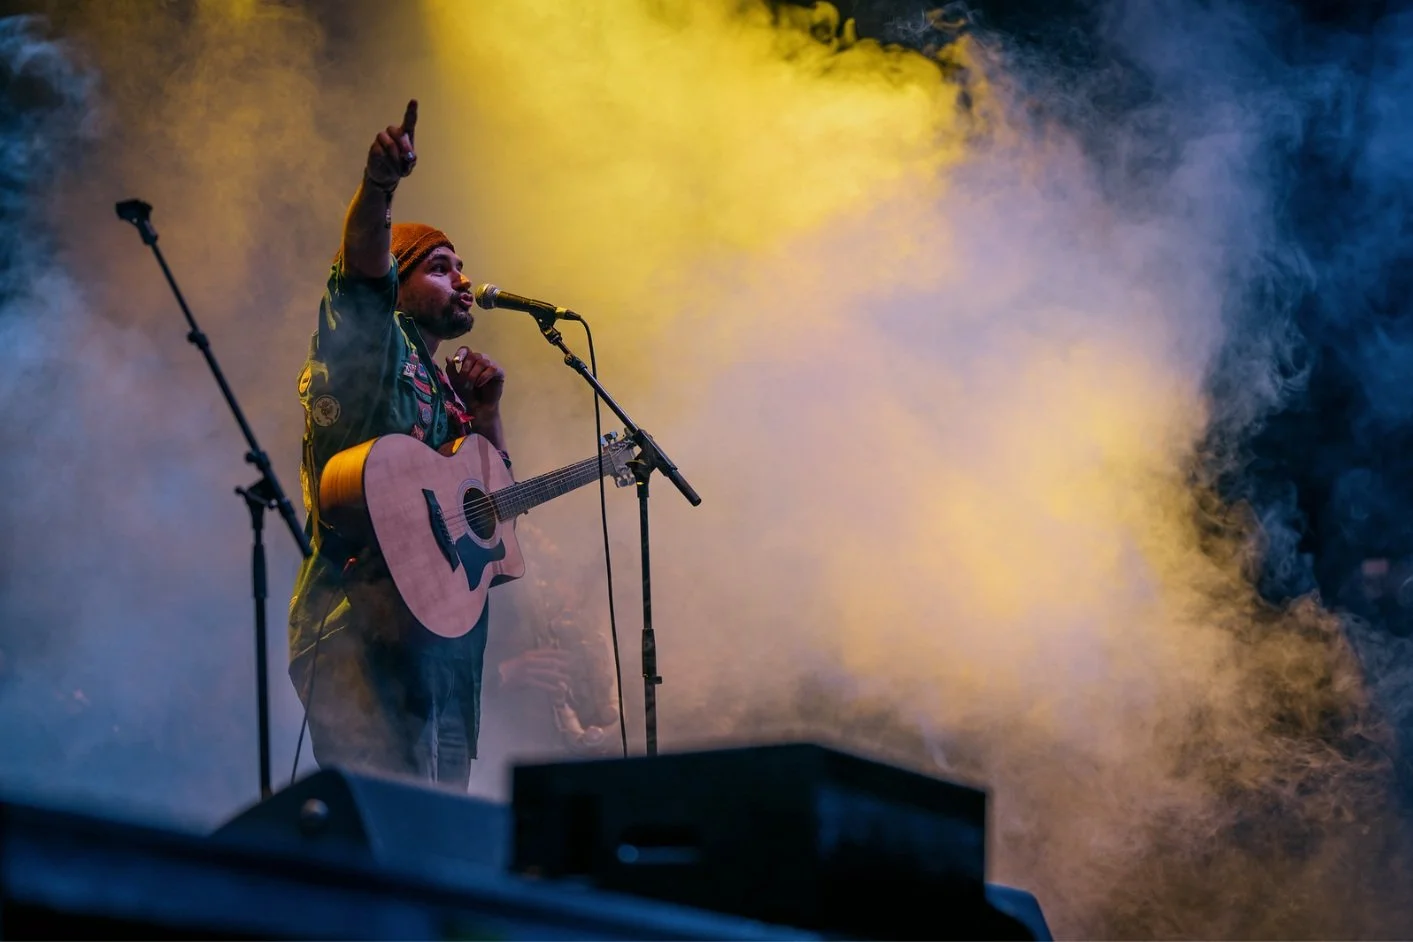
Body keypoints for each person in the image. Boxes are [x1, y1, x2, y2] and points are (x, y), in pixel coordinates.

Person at [287, 100, 571, 788]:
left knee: (431, 845)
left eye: (463, 267)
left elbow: (496, 529)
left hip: (446, 657)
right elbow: (359, 281)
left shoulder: (448, 391)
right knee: (382, 843)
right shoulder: (373, 350)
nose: (464, 280)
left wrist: (487, 416)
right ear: (401, 282)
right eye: (441, 267)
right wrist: (380, 187)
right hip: (363, 634)